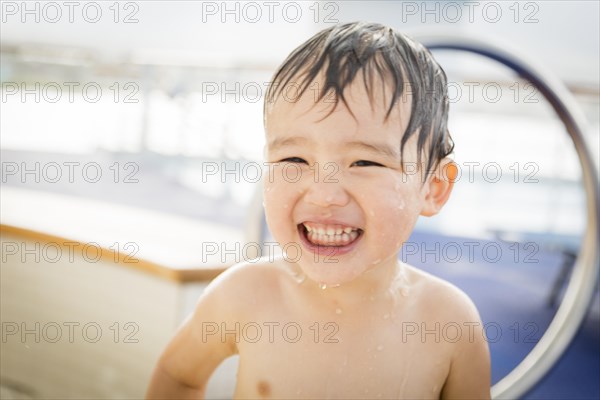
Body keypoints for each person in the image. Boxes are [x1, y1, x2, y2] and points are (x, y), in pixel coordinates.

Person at [146, 21, 491, 399]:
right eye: (295, 157)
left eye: (365, 163)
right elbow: (179, 375)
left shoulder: (449, 323)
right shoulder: (244, 295)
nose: (324, 194)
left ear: (434, 188)